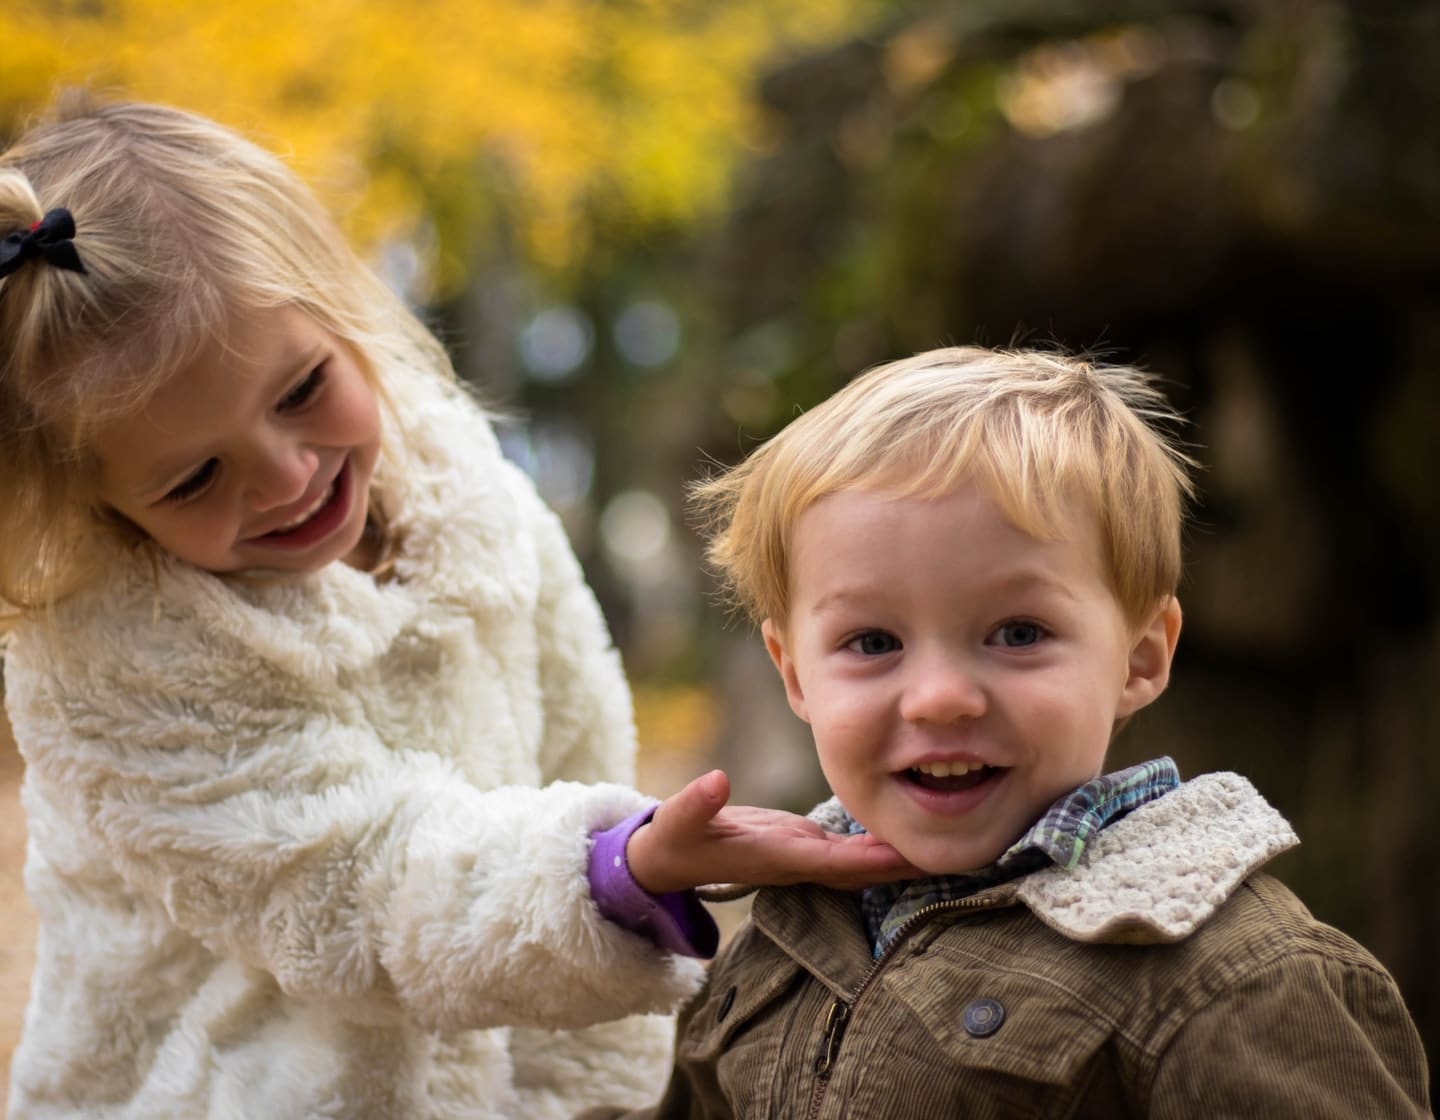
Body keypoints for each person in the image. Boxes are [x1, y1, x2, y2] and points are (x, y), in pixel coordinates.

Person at [0, 96, 912, 1120]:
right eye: (195, 478)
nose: (288, 477)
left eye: (302, 388)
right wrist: (615, 871)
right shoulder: (112, 659)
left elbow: (577, 730)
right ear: (97, 502)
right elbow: (352, 893)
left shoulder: (462, 491)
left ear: (346, 311)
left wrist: (598, 1062)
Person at [581, 346, 1432, 1118]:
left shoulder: (1234, 979)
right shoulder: (784, 933)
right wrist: (619, 879)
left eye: (1018, 633)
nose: (941, 699)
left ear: (1138, 658)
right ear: (795, 673)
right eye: (873, 643)